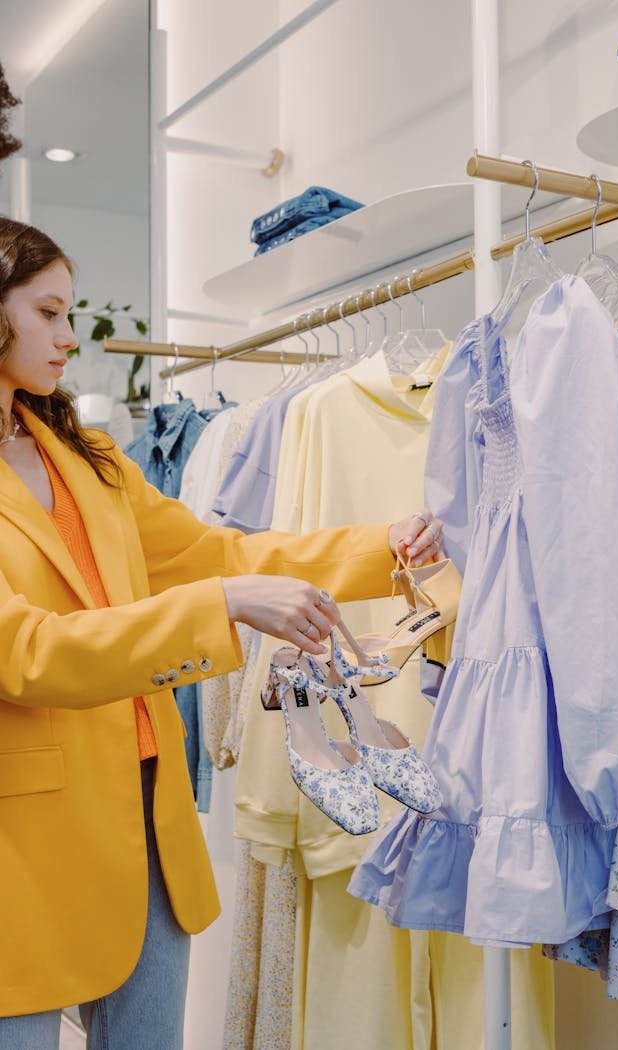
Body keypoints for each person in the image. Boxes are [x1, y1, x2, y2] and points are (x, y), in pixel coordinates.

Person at [0, 217, 443, 1050]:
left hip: (148, 815)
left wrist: (381, 546)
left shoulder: (86, 455)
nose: (68, 337)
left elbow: (215, 552)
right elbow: (26, 654)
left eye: (69, 314)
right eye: (49, 313)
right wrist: (226, 602)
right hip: (23, 841)